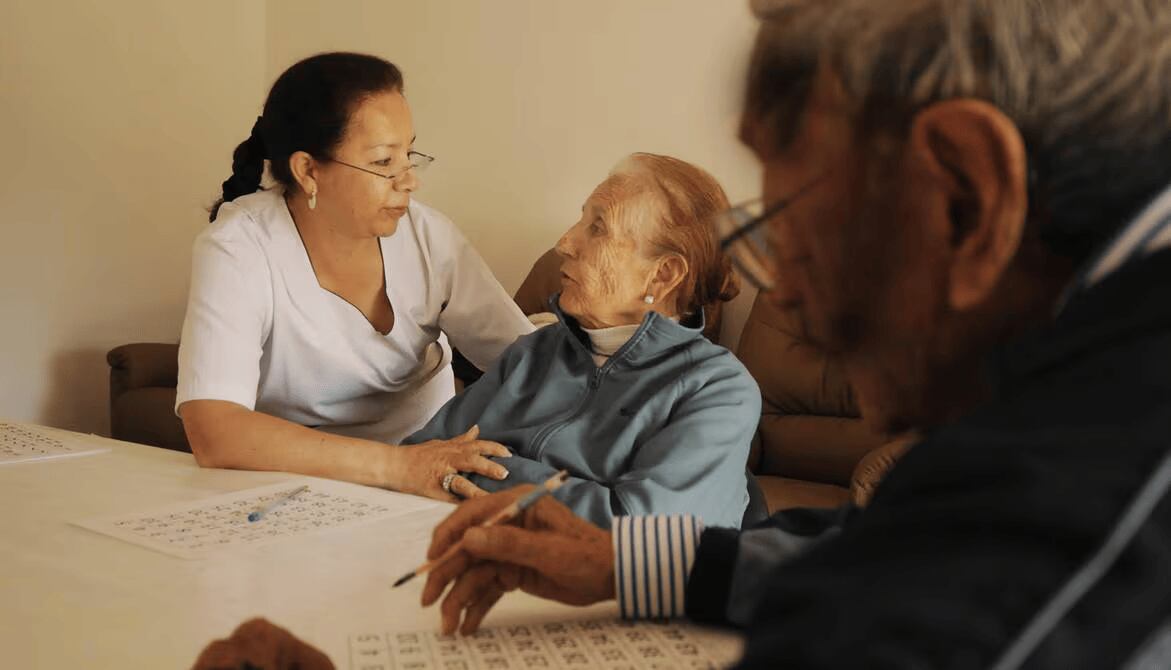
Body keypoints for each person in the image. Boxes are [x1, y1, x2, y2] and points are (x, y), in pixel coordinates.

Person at [194, 0, 1171, 667]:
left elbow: (893, 611)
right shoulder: (1060, 381)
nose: (784, 284)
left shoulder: (1102, 451)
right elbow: (865, 547)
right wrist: (619, 562)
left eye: (788, 211)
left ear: (963, 193)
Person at [176, 52, 533, 502]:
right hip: (290, 488)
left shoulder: (430, 238)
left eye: (409, 155)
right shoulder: (239, 247)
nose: (409, 181)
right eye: (384, 162)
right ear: (308, 170)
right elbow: (214, 429)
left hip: (428, 484)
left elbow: (529, 364)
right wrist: (398, 467)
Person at [404, 153, 761, 529]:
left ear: (662, 275)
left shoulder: (718, 391)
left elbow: (640, 529)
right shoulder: (533, 352)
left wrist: (481, 474)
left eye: (598, 227)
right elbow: (418, 461)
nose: (565, 242)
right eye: (581, 219)